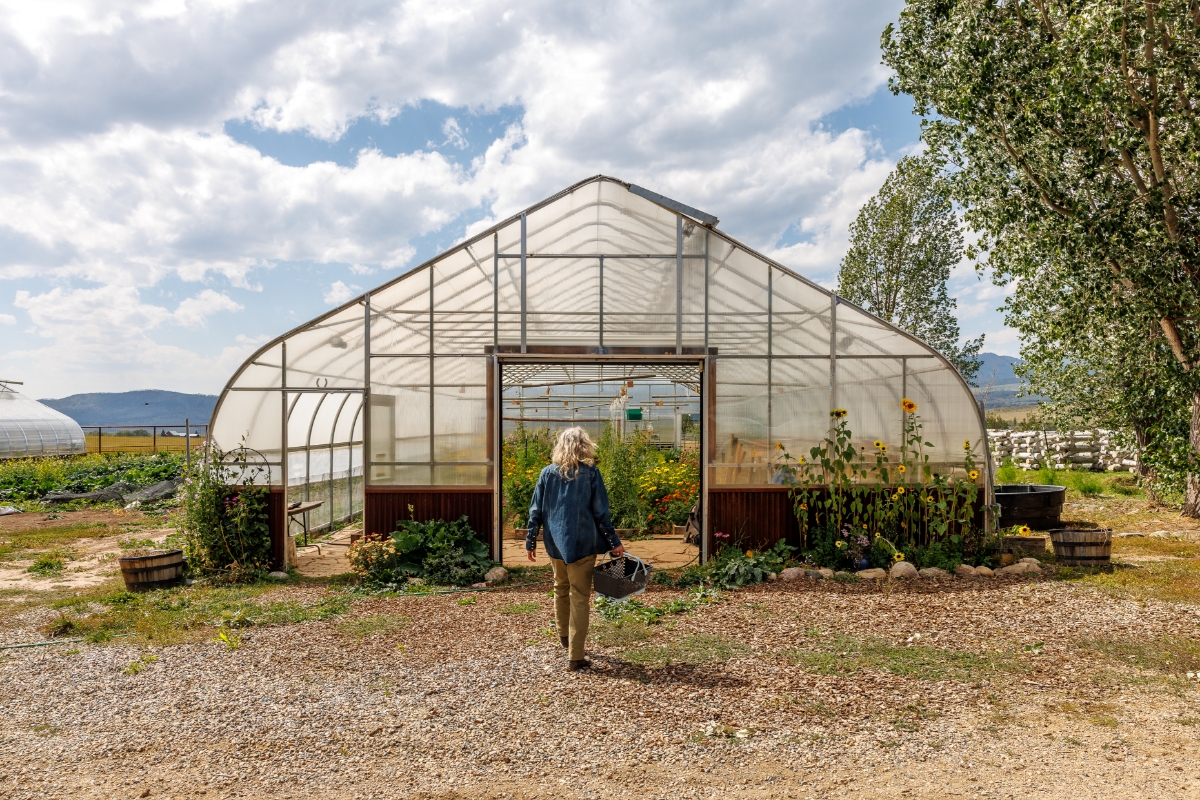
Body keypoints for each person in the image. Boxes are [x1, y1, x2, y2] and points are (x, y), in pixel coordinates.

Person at [526, 426, 624, 671]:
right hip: (582, 544)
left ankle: (564, 638)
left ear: (560, 446)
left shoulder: (547, 473)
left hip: (555, 543)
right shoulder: (590, 474)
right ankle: (576, 656)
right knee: (579, 596)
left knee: (561, 588)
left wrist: (530, 540)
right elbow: (601, 512)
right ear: (585, 445)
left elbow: (535, 510)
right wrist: (614, 542)